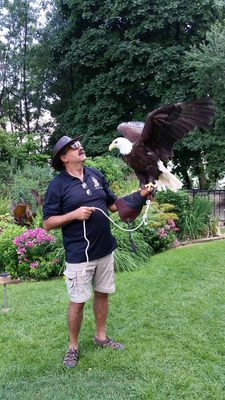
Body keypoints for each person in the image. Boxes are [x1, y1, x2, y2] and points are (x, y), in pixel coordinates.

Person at [43, 135, 151, 368]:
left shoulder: (94, 174)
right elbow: (47, 223)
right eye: (73, 147)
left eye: (79, 144)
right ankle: (73, 347)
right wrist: (74, 214)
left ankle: (101, 337)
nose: (79, 147)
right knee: (78, 301)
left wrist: (138, 196)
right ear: (64, 158)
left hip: (105, 249)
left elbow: (113, 205)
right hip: (79, 255)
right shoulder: (58, 185)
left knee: (102, 294)